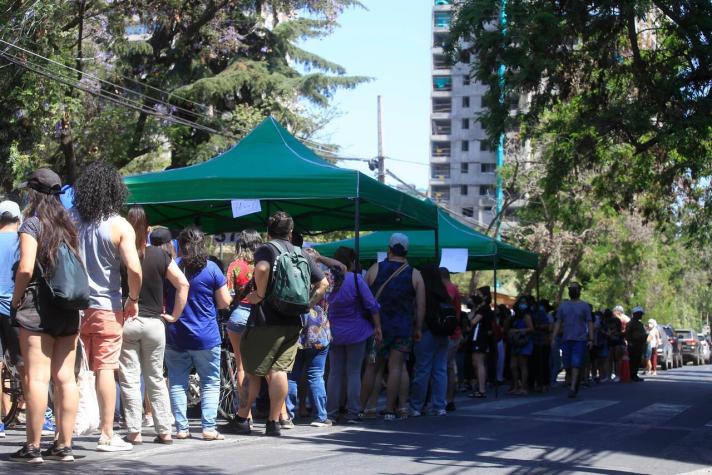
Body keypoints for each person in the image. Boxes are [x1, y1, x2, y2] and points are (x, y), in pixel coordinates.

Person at [233, 212, 328, 436]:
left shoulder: (266, 249)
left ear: (269, 231)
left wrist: (260, 294)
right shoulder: (301, 252)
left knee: (253, 371)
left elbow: (263, 268)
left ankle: (241, 418)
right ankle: (274, 422)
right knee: (280, 370)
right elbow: (323, 283)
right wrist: (307, 304)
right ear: (291, 231)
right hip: (293, 321)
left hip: (266, 320)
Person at [9, 170, 81, 463]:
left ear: (33, 194)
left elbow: (26, 268)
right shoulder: (69, 227)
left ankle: (33, 447)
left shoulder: (32, 225)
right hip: (69, 308)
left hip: (38, 309)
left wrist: (15, 300)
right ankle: (64, 446)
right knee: (66, 379)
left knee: (37, 379)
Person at [72, 162, 142, 452]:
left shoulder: (72, 221)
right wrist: (133, 299)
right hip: (107, 307)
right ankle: (105, 433)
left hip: (73, 307)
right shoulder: (119, 225)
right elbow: (135, 269)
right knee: (105, 368)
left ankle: (66, 430)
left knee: (74, 368)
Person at [118, 206, 189, 445]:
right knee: (155, 378)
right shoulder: (160, 255)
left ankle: (134, 432)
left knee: (129, 378)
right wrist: (175, 315)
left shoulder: (119, 254)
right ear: (148, 230)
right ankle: (164, 431)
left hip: (127, 320)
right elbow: (182, 284)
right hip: (155, 324)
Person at [163, 227, 231, 440]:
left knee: (176, 381)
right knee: (210, 381)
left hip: (176, 334)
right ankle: (208, 428)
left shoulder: (172, 268)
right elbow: (224, 302)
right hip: (206, 336)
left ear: (180, 245)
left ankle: (182, 429)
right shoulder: (212, 269)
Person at [365, 233, 425, 421]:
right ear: (406, 251)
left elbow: (365, 299)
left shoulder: (375, 269)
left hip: (377, 328)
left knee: (373, 368)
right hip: (403, 328)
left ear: (389, 249)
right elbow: (421, 306)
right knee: (397, 368)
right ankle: (393, 409)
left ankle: (367, 407)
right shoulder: (415, 274)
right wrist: (418, 328)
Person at [325, 246, 381, 423]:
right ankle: (352, 412)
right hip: (357, 332)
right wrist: (378, 326)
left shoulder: (329, 280)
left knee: (334, 373)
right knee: (354, 373)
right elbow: (372, 305)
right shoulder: (356, 279)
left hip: (333, 332)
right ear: (351, 262)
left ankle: (331, 413)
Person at [224, 230, 262, 424]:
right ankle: (281, 415)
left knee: (241, 366)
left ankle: (245, 413)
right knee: (266, 368)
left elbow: (228, 295)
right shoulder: (264, 265)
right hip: (260, 319)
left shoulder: (235, 266)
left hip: (239, 316)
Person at [410, 264, 452, 416]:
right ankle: (439, 406)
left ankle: (416, 406)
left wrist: (418, 328)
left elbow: (418, 310)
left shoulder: (423, 292)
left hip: (427, 333)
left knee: (422, 370)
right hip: (443, 334)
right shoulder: (443, 292)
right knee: (440, 370)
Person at [0, 200, 22, 440]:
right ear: (18, 219)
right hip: (16, 309)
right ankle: (41, 417)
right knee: (27, 363)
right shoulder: (23, 241)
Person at [551, 283, 593, 398]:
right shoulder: (563, 306)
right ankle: (575, 380)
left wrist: (591, 338)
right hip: (566, 339)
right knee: (567, 364)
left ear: (579, 290)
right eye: (571, 289)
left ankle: (573, 387)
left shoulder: (584, 306)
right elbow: (558, 322)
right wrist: (554, 337)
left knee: (576, 363)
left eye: (575, 289)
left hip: (580, 340)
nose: (573, 290)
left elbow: (589, 322)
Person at [440, 268, 461, 412]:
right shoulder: (452, 287)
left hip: (451, 334)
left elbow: (447, 300)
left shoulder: (449, 288)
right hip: (454, 333)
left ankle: (448, 399)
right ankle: (449, 399)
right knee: (449, 367)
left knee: (446, 367)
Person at [468, 286, 494, 398]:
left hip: (481, 338)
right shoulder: (480, 308)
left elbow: (472, 321)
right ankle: (479, 387)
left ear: (485, 296)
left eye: (479, 294)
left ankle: (482, 389)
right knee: (476, 363)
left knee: (479, 363)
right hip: (477, 338)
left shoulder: (485, 309)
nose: (477, 296)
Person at [507, 297, 534, 395]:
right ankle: (515, 385)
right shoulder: (515, 317)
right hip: (515, 342)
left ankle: (524, 387)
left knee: (523, 365)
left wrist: (518, 331)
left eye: (524, 303)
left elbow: (531, 329)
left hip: (524, 342)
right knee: (513, 365)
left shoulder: (527, 316)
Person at [531, 299, 553, 392]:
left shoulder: (544, 314)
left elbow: (549, 327)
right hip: (534, 342)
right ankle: (537, 383)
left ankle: (544, 383)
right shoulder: (531, 313)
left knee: (544, 363)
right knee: (535, 364)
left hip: (543, 342)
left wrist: (538, 326)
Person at [625, 307, 647, 382]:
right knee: (633, 361)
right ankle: (632, 375)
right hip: (633, 345)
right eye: (640, 314)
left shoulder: (640, 324)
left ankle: (635, 374)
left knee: (637, 360)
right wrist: (630, 342)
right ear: (635, 314)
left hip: (639, 345)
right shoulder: (631, 324)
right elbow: (627, 334)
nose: (641, 316)